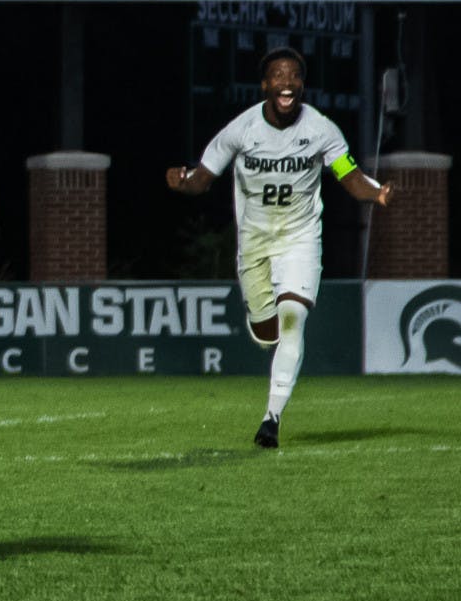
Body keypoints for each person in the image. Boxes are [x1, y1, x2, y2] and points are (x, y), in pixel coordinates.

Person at [166, 46, 391, 448]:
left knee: (291, 322)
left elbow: (348, 174)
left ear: (301, 85)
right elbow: (204, 177)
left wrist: (377, 194)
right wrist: (183, 181)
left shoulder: (321, 130)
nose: (286, 83)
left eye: (294, 77)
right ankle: (265, 334)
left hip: (300, 239)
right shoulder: (242, 129)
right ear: (265, 85)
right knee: (266, 333)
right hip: (254, 242)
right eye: (278, 76)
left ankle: (271, 419)